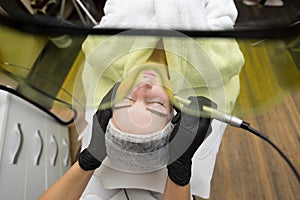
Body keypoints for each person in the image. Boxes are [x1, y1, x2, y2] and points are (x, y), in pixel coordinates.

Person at [40, 0, 245, 199]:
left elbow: (114, 7)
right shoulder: (210, 67)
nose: (141, 89)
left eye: (127, 99)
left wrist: (89, 158)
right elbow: (222, 13)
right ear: (175, 112)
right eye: (155, 105)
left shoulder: (104, 54)